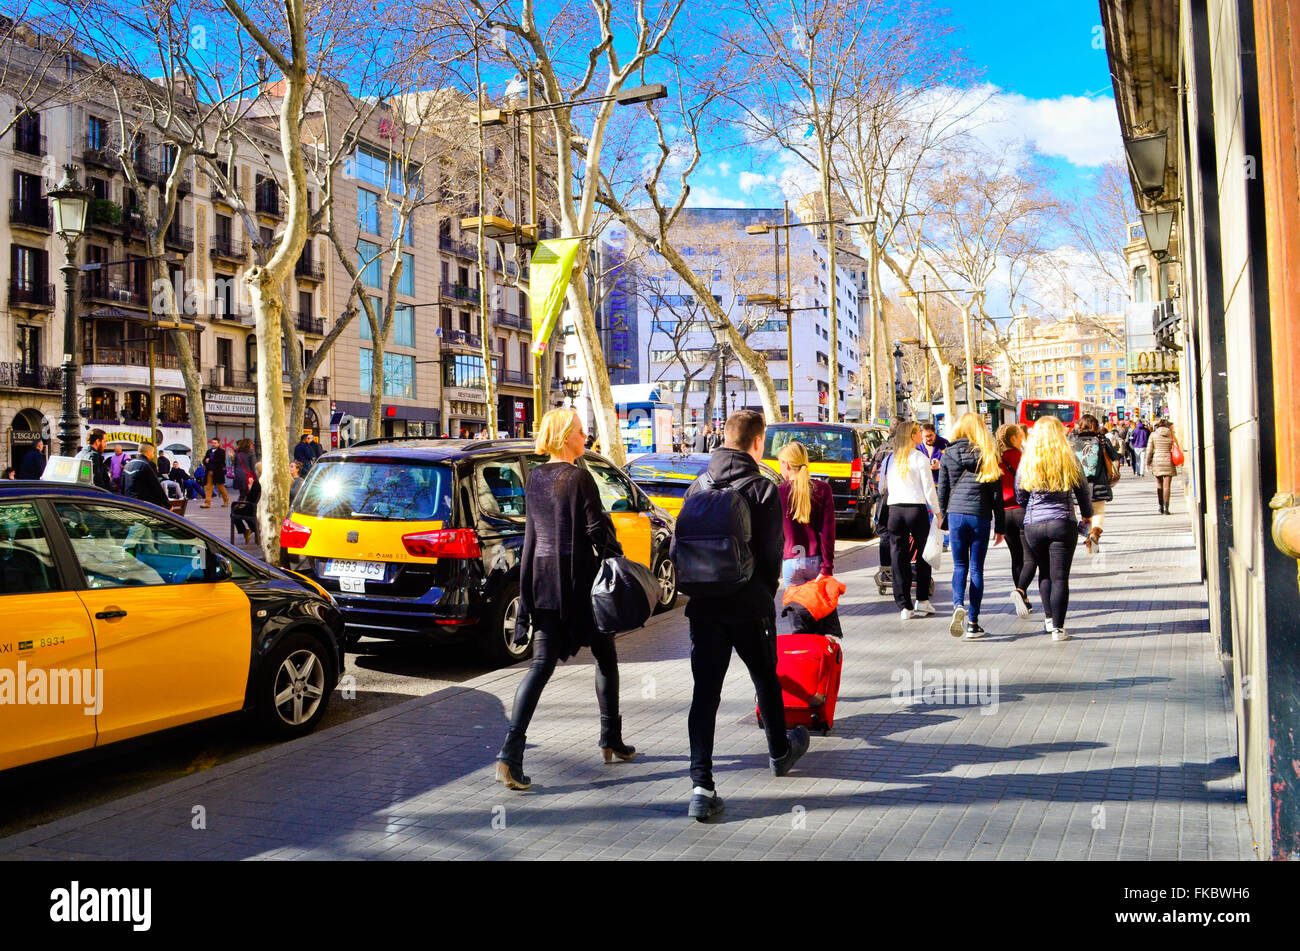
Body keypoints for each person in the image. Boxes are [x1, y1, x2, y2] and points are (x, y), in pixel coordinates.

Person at [681, 410, 810, 822]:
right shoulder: (763, 488)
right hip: (749, 607)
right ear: (758, 443)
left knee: (705, 695)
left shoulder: (698, 484)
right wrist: (761, 595)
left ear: (722, 439)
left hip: (704, 608)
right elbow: (773, 556)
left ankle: (701, 786)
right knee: (765, 679)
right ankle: (778, 751)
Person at [495, 409, 634, 791]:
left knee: (540, 666)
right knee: (605, 657)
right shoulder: (579, 477)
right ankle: (610, 738)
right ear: (562, 436)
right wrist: (614, 550)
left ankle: (510, 755)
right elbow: (595, 529)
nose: (585, 434)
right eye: (578, 429)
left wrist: (526, 592)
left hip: (543, 581)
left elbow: (533, 536)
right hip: (577, 583)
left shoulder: (536, 477)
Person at [1013, 416, 1093, 641]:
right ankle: (1058, 628)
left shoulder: (1027, 459)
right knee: (1060, 578)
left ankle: (1049, 620)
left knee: (1044, 573)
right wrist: (1087, 516)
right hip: (1062, 522)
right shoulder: (1069, 458)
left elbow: (1020, 493)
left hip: (1033, 524)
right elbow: (1082, 491)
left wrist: (1032, 506)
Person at [938, 414, 1006, 639]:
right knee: (976, 569)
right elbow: (996, 494)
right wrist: (1000, 526)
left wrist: (944, 520)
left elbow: (943, 490)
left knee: (959, 566)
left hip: (956, 515)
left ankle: (958, 604)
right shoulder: (987, 454)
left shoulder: (947, 454)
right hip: (980, 515)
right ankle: (973, 623)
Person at [885, 421, 941, 620]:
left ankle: (904, 605)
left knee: (898, 558)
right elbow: (929, 489)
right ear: (912, 436)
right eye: (917, 432)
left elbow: (886, 486)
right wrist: (938, 512)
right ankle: (923, 600)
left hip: (895, 511)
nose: (921, 434)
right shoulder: (920, 458)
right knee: (923, 556)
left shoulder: (891, 458)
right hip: (915, 510)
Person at [777, 441, 836, 588]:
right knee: (816, 608)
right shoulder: (823, 489)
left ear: (787, 465)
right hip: (815, 561)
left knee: (794, 609)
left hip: (791, 560)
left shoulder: (779, 492)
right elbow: (828, 532)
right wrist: (827, 566)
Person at [996, 423, 1034, 615]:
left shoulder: (998, 460)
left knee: (1015, 557)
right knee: (1029, 556)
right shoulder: (1023, 458)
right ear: (1013, 439)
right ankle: (1021, 592)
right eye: (1020, 436)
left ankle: (1024, 597)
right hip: (1021, 510)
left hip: (1005, 512)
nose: (1023, 439)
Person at [1071, 414, 1121, 553]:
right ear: (1095, 425)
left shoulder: (1073, 441)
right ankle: (1094, 534)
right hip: (1099, 483)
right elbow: (1114, 456)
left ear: (1080, 426)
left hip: (1079, 483)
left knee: (1085, 513)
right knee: (1098, 511)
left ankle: (1088, 535)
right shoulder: (1102, 440)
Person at [1146, 419, 1179, 514]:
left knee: (1159, 484)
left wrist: (1147, 463)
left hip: (1157, 461)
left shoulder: (1153, 434)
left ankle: (1160, 506)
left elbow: (1149, 450)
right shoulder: (1171, 434)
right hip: (1169, 460)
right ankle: (1166, 508)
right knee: (1167, 485)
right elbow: (1177, 447)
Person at [122, 443, 170, 508]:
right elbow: (156, 486)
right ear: (149, 452)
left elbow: (122, 485)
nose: (153, 455)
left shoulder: (127, 465)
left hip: (130, 504)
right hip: (146, 505)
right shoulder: (148, 464)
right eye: (153, 453)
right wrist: (167, 504)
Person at [233, 462, 262, 544]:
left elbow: (250, 497)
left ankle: (247, 531)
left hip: (252, 507)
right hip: (255, 506)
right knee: (244, 511)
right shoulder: (261, 482)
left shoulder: (257, 483)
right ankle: (253, 530)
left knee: (235, 511)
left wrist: (250, 487)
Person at [201, 437, 229, 508]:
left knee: (220, 487)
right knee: (208, 487)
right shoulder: (209, 451)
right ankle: (207, 503)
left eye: (215, 443)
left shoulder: (221, 451)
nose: (213, 444)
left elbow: (220, 461)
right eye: (212, 443)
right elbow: (204, 460)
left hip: (218, 472)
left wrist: (209, 460)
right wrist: (205, 461)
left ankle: (226, 500)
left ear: (218, 444)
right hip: (209, 471)